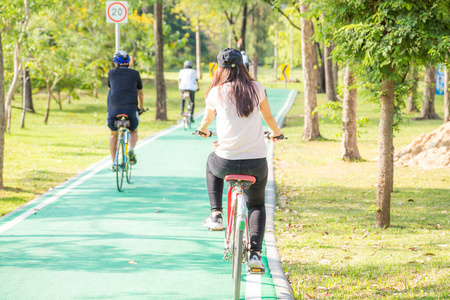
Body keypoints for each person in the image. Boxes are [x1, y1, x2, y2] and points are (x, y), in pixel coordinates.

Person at [196, 48, 284, 273]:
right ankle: (255, 253)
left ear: (220, 68)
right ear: (243, 66)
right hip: (255, 163)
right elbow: (268, 117)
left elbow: (207, 118)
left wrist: (202, 129)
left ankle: (216, 215)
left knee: (210, 163)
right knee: (256, 204)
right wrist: (276, 133)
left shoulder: (216, 92)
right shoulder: (257, 89)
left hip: (225, 161)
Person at [107, 50, 144, 169]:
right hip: (130, 110)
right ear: (128, 62)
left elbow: (110, 89)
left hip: (113, 110)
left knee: (113, 135)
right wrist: (141, 108)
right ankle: (131, 149)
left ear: (115, 63)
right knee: (133, 131)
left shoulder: (111, 73)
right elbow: (140, 93)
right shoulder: (135, 74)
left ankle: (114, 162)